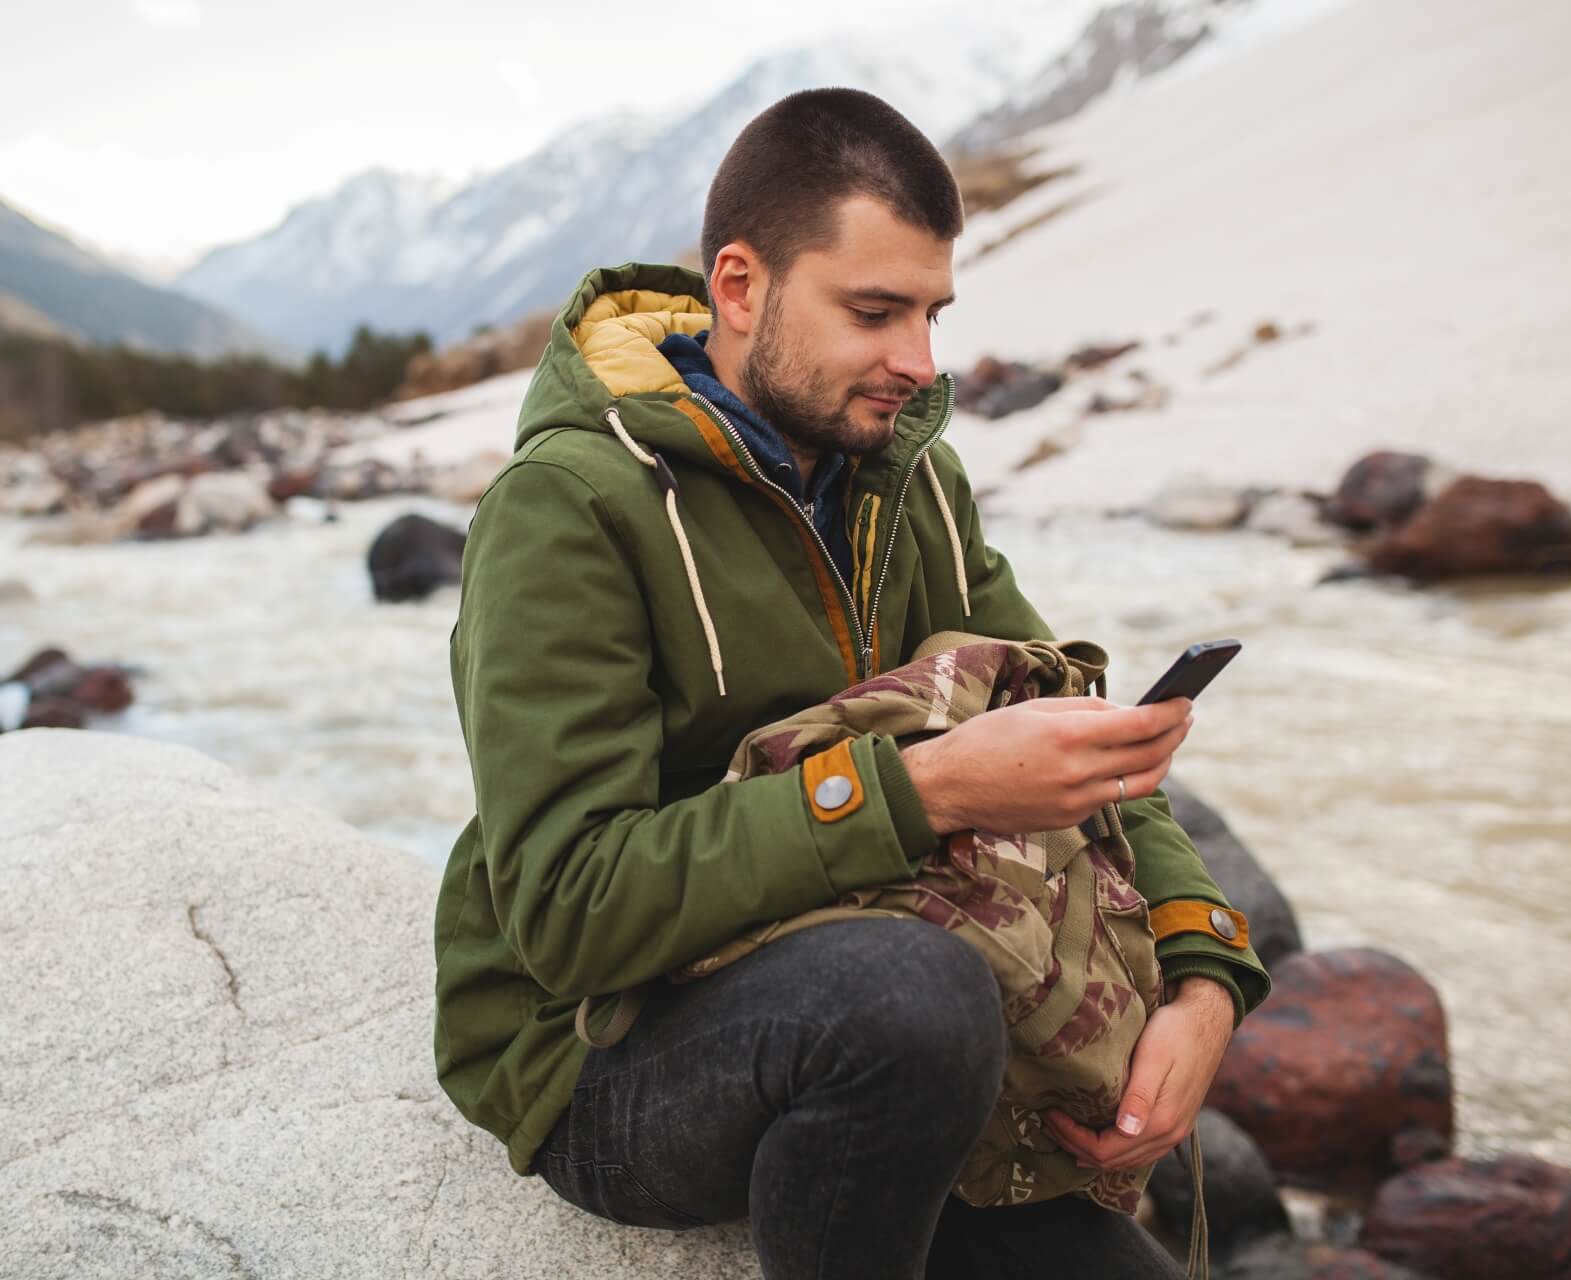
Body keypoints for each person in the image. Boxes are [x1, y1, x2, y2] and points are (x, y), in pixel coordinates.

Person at [433, 87, 1271, 1279]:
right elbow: (566, 907)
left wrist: (1203, 974)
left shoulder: (909, 474)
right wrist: (923, 788)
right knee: (903, 1000)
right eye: (873, 311)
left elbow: (1076, 740)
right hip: (603, 1048)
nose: (917, 362)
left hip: (896, 1008)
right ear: (739, 286)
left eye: (931, 311)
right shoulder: (568, 508)